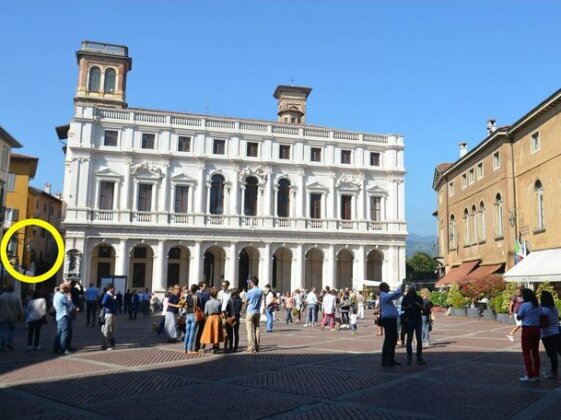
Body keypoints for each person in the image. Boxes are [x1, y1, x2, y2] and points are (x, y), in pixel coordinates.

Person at [516, 288, 541, 382]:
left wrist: (519, 313)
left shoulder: (524, 305)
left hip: (527, 329)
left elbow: (519, 317)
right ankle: (536, 374)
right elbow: (540, 316)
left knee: (526, 352)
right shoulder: (538, 305)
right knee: (535, 352)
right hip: (536, 329)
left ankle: (529, 375)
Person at [379, 281, 405, 367]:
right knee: (389, 340)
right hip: (388, 320)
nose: (389, 288)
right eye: (388, 287)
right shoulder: (383, 296)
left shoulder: (385, 296)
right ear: (384, 288)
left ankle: (390, 358)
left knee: (392, 339)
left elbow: (396, 296)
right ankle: (386, 359)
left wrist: (400, 291)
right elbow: (393, 295)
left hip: (391, 320)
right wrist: (399, 288)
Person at [401, 285, 426, 365]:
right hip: (409, 320)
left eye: (412, 291)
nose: (411, 293)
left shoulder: (418, 298)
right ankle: (409, 357)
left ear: (414, 291)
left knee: (419, 339)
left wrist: (418, 305)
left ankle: (419, 357)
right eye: (410, 291)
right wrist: (408, 306)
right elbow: (402, 308)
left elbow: (424, 308)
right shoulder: (405, 298)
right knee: (409, 339)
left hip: (418, 319)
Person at [539, 291, 561, 379]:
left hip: (547, 334)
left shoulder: (543, 309)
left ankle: (554, 372)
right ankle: (553, 371)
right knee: (559, 351)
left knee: (552, 354)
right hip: (557, 332)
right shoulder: (554, 308)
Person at [200, 287, 224, 353]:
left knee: (207, 332)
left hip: (210, 318)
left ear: (210, 295)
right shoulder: (219, 303)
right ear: (216, 295)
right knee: (216, 332)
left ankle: (202, 347)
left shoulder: (207, 302)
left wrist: (205, 319)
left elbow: (205, 313)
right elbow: (220, 312)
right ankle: (214, 347)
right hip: (217, 317)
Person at [0, 284, 24, 351]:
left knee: (3, 330)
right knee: (12, 330)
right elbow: (20, 308)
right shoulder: (16, 297)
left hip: (3, 316)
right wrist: (20, 315)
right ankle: (10, 342)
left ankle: (3, 344)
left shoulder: (1, 297)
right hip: (13, 316)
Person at [53, 282, 73, 355]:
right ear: (65, 289)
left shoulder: (57, 295)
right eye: (68, 289)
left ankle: (55, 348)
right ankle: (63, 349)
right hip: (63, 315)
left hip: (59, 315)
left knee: (59, 333)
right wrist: (69, 298)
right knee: (64, 333)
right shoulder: (62, 296)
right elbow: (69, 304)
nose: (69, 291)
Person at [244, 276, 262, 353]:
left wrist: (245, 305)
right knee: (257, 329)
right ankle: (257, 346)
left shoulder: (250, 291)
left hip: (250, 311)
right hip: (257, 311)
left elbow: (246, 301)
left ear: (253, 282)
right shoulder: (260, 291)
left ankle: (250, 347)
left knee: (249, 330)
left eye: (250, 282)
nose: (249, 284)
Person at [101, 284, 118, 350]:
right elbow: (103, 303)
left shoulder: (112, 295)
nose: (115, 289)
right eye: (114, 288)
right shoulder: (107, 295)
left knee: (114, 329)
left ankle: (108, 341)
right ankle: (104, 345)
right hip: (109, 314)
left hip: (113, 313)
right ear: (110, 288)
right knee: (107, 329)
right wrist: (110, 306)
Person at [183, 284, 199, 354]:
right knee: (192, 332)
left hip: (188, 314)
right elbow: (196, 306)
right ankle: (189, 349)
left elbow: (186, 305)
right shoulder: (195, 297)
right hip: (193, 314)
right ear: (196, 290)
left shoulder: (188, 296)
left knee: (187, 332)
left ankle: (184, 348)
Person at [195, 282, 210, 351]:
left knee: (200, 330)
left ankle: (198, 345)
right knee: (199, 330)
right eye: (204, 286)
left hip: (201, 314)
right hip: (199, 314)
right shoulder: (198, 294)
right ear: (200, 287)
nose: (206, 288)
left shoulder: (204, 294)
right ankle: (198, 345)